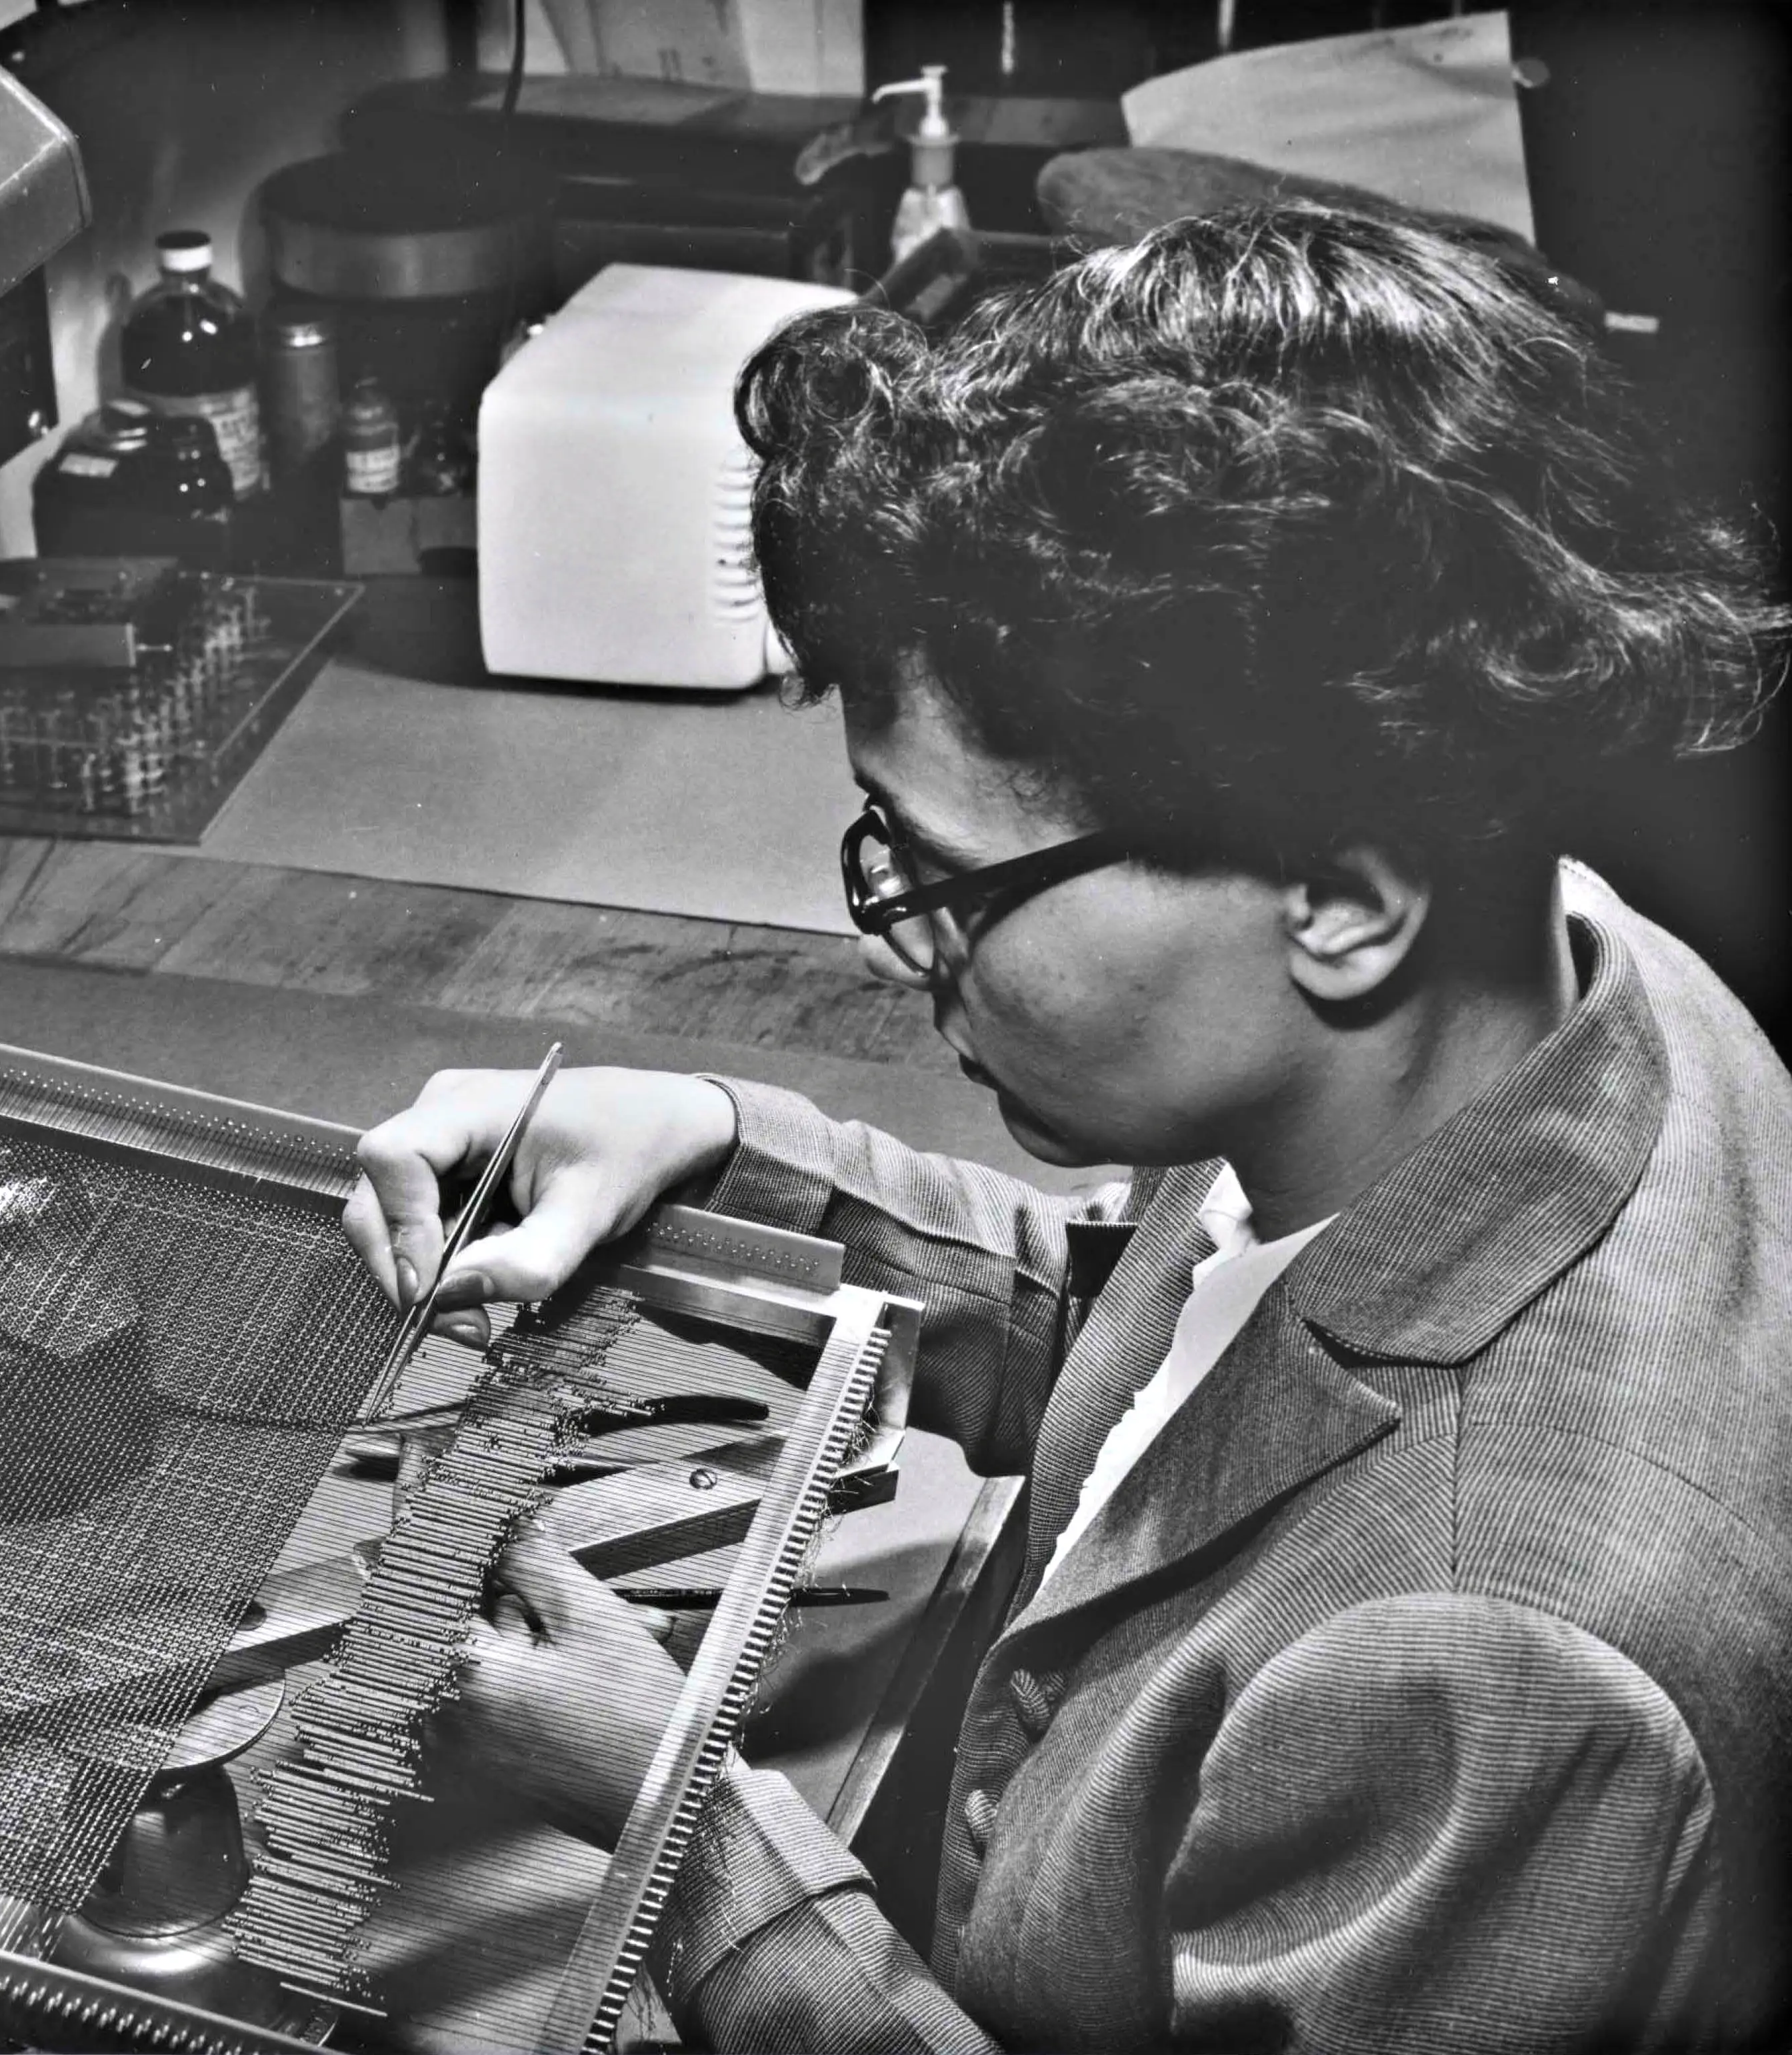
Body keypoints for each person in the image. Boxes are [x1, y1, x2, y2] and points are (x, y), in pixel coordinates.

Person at [344, 202, 1792, 2052]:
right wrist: (717, 1147)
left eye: (951, 876)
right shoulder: (1559, 976)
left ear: (1342, 901)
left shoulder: (1487, 1662)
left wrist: (677, 1821)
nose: (894, 944)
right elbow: (1209, 1351)